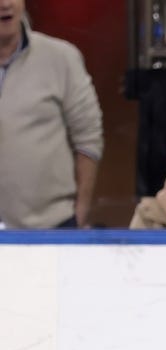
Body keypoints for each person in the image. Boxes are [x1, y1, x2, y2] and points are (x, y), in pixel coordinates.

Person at [0, 1, 102, 228]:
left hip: (51, 228)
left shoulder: (61, 58)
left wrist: (81, 210)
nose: (5, 4)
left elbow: (88, 138)